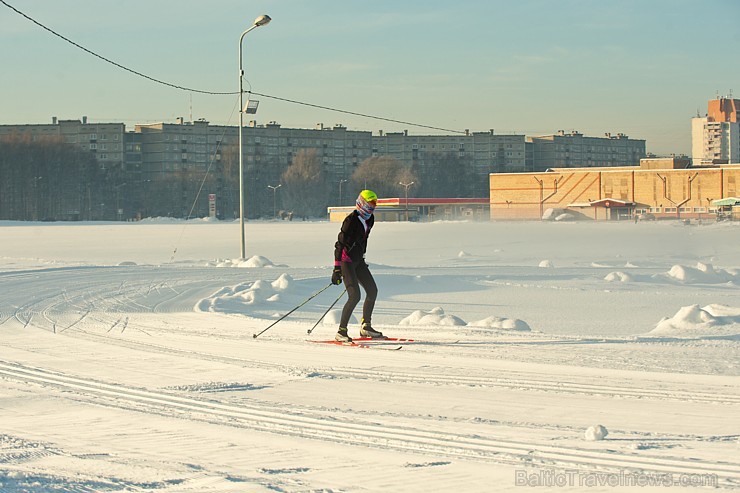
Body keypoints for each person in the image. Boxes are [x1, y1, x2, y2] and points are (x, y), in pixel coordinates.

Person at [331, 189, 385, 342]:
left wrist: (362, 257)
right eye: (370, 203)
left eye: (375, 203)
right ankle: (341, 331)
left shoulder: (370, 219)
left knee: (372, 291)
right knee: (355, 296)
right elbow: (339, 244)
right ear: (362, 203)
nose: (373, 206)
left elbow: (363, 240)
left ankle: (366, 327)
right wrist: (337, 268)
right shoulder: (351, 220)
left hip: (358, 261)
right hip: (346, 261)